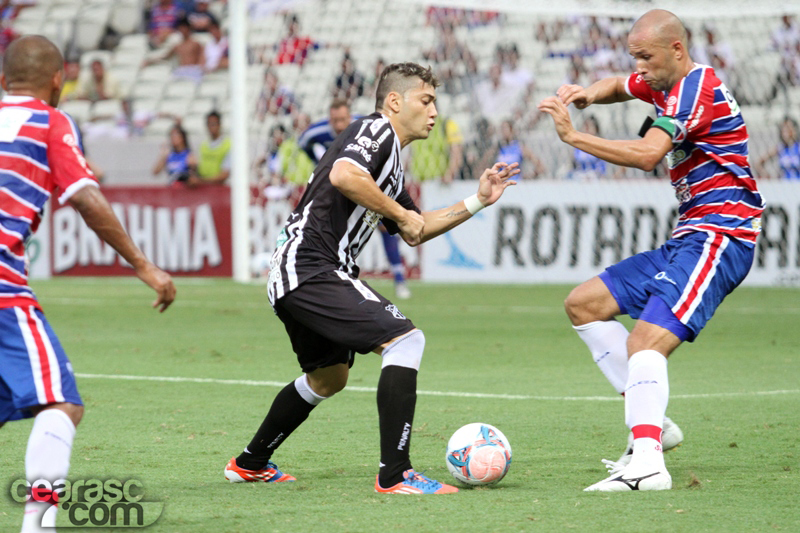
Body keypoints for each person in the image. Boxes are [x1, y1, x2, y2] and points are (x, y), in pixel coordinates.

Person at [223, 62, 518, 494]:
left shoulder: (392, 162)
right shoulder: (376, 130)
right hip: (311, 266)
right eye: (426, 100)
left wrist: (477, 200)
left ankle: (250, 463)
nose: (434, 111)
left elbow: (415, 228)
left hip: (301, 271)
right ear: (395, 102)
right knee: (406, 340)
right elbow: (345, 176)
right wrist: (399, 213)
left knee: (329, 377)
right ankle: (396, 474)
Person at [538, 9, 765, 492]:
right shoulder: (663, 79)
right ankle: (654, 423)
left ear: (676, 50)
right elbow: (620, 85)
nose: (638, 67)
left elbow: (647, 154)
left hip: (722, 235)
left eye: (645, 56)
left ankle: (647, 465)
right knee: (584, 304)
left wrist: (574, 135)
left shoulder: (693, 91)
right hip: (689, 236)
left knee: (644, 342)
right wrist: (586, 93)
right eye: (633, 57)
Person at [0, 36, 176, 533]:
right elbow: (86, 198)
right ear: (59, 81)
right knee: (62, 404)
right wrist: (144, 265)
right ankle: (38, 524)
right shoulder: (50, 122)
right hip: (3, 290)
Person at [299, 98, 413, 299]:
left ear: (350, 116)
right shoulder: (317, 132)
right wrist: (319, 161)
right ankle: (331, 276)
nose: (340, 125)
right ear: (329, 120)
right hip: (337, 189)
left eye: (343, 119)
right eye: (335, 120)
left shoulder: (365, 126)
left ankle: (399, 279)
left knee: (384, 227)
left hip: (365, 184)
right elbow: (304, 142)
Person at [756, 116, 800, 180]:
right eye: (783, 129)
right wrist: (766, 175)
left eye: (788, 129)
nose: (785, 132)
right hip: (784, 185)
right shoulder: (780, 148)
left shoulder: (798, 148)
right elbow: (759, 163)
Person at [195, 110, 230, 185]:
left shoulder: (227, 145)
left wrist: (202, 181)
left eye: (213, 124)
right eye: (209, 124)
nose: (211, 127)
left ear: (220, 125)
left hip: (219, 189)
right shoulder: (203, 146)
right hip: (204, 190)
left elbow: (225, 174)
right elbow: (200, 170)